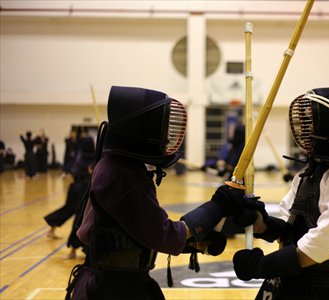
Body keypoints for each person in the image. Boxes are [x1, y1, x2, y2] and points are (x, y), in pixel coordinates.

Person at [65, 86, 245, 300]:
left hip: (115, 282)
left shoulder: (117, 165)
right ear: (140, 130)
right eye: (159, 128)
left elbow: (128, 232)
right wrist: (218, 205)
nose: (165, 136)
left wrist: (192, 242)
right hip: (114, 289)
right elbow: (165, 236)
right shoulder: (123, 175)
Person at [232, 87, 329, 299]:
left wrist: (261, 266)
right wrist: (261, 224)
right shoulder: (313, 168)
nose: (304, 129)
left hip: (326, 290)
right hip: (292, 281)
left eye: (312, 121)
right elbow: (290, 223)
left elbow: (321, 245)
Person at [44, 130, 96, 259]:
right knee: (81, 217)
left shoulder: (80, 155)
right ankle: (73, 249)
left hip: (75, 188)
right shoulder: (90, 157)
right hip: (83, 190)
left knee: (73, 213)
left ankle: (71, 247)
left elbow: (69, 169)